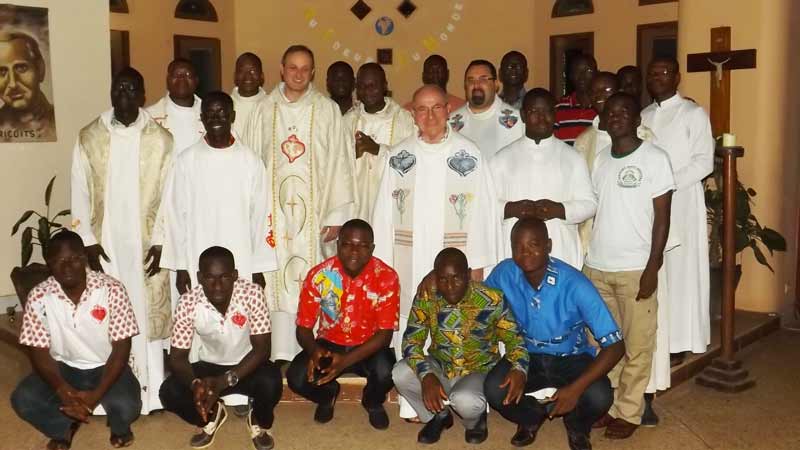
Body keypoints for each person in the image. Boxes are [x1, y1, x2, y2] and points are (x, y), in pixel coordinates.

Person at [373, 84, 501, 419]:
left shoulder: (469, 156)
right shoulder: (399, 157)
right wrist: (384, 269)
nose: (429, 116)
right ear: (412, 113)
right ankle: (414, 402)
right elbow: (383, 215)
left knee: (458, 329)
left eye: (436, 108)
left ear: (448, 110)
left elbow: (484, 214)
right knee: (411, 325)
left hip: (456, 268)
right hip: (409, 260)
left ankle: (464, 393)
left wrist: (477, 266)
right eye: (421, 109)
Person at [243, 45, 356, 362]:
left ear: (313, 72)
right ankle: (279, 352)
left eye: (305, 69)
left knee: (313, 278)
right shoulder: (264, 110)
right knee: (276, 279)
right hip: (273, 216)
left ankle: (316, 351)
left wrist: (337, 215)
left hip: (315, 214)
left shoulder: (326, 110)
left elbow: (341, 162)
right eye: (292, 67)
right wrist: (251, 213)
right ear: (281, 69)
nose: (298, 74)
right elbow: (251, 162)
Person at [71, 67, 172, 413]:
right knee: (108, 313)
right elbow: (80, 188)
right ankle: (108, 395)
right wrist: (86, 239)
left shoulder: (161, 139)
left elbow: (169, 195)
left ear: (144, 95)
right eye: (118, 88)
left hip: (146, 246)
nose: (124, 94)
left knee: (144, 314)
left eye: (132, 89)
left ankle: (153, 392)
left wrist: (161, 241)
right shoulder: (90, 137)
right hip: (107, 243)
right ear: (111, 93)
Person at [484, 219, 624, 449]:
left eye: (534, 244)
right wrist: (434, 279)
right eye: (518, 246)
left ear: (548, 246)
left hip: (571, 357)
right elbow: (476, 300)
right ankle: (531, 417)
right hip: (526, 355)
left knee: (600, 396)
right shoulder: (505, 273)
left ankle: (577, 425)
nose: (525, 252)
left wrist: (574, 390)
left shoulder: (575, 284)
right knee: (494, 389)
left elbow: (616, 346)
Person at [584, 92, 674, 439]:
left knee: (638, 345)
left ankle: (630, 412)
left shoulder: (655, 158)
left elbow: (663, 219)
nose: (617, 116)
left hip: (636, 268)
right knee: (608, 344)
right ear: (605, 120)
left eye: (625, 111)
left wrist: (653, 265)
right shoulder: (602, 159)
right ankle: (609, 406)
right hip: (598, 268)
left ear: (638, 119)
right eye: (612, 112)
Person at [11, 230, 142, 450]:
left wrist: (95, 396)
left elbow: (121, 348)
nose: (67, 266)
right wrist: (62, 390)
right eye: (59, 261)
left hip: (105, 365)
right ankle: (63, 428)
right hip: (64, 367)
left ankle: (119, 426)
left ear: (84, 258)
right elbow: (39, 351)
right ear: (49, 264)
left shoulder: (112, 290)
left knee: (129, 406)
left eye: (74, 259)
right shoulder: (39, 296)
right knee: (23, 399)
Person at [393, 248, 529, 444]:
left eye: (456, 278)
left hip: (478, 370)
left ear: (468, 274)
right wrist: (426, 375)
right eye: (442, 279)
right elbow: (411, 341)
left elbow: (515, 341)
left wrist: (519, 369)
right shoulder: (427, 297)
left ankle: (475, 421)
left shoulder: (492, 299)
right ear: (434, 277)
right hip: (441, 366)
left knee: (466, 400)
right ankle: (438, 416)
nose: (449, 286)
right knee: (401, 372)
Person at [159, 246, 282, 450]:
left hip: (247, 366)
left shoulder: (252, 293)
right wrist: (196, 384)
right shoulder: (188, 302)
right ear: (199, 277)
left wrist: (224, 381)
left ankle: (258, 420)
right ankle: (211, 414)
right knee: (168, 392)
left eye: (224, 277)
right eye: (209, 278)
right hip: (209, 367)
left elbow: (262, 350)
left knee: (271, 380)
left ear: (234, 275)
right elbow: (177, 358)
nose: (217, 286)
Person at [286, 220, 399, 430]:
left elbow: (384, 335)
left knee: (388, 371)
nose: (354, 252)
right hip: (330, 344)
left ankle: (372, 401)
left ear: (372, 248)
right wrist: (314, 351)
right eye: (347, 244)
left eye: (362, 245)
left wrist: (345, 361)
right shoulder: (320, 275)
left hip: (369, 346)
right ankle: (327, 395)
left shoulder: (386, 277)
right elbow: (303, 327)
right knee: (296, 376)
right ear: (338, 245)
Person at [161, 91, 276, 296]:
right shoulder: (186, 161)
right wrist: (180, 266)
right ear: (202, 118)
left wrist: (258, 266)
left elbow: (261, 215)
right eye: (209, 114)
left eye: (221, 113)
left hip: (241, 255)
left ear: (232, 116)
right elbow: (175, 214)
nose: (215, 118)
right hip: (196, 254)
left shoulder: (250, 161)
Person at [642, 56, 713, 365]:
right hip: (649, 204)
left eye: (664, 72)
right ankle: (656, 337)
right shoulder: (643, 115)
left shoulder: (693, 113)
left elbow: (704, 161)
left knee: (681, 271)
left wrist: (667, 183)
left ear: (677, 77)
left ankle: (680, 340)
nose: (658, 77)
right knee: (657, 270)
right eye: (653, 73)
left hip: (682, 201)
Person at [490, 88, 595, 269]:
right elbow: (485, 205)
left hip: (560, 250)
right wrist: (511, 208)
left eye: (547, 111)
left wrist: (559, 209)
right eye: (534, 112)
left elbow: (590, 204)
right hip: (514, 251)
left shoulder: (572, 158)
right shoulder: (501, 158)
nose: (541, 117)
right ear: (523, 115)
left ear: (555, 115)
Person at [344, 63, 414, 220]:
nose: (367, 91)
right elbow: (334, 168)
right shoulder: (347, 122)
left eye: (372, 85)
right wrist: (352, 154)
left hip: (391, 207)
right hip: (355, 209)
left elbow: (413, 162)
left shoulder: (404, 120)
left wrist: (378, 150)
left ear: (384, 86)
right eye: (361, 86)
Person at [449, 60, 524, 159]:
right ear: (465, 85)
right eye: (471, 80)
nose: (476, 85)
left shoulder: (517, 121)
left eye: (483, 79)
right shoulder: (450, 123)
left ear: (496, 84)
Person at [0, 31, 56, 141]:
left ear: (40, 69)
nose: (12, 84)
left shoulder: (60, 121)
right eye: (1, 72)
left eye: (21, 68)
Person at [146, 58, 204, 154]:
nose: (181, 78)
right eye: (176, 74)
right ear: (167, 80)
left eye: (188, 74)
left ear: (196, 80)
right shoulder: (149, 117)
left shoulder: (211, 115)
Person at [554, 54, 597, 145]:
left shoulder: (603, 108)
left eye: (588, 71)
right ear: (570, 75)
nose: (582, 76)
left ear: (597, 73)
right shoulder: (559, 108)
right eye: (577, 71)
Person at [231, 52, 267, 138]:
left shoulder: (271, 105)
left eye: (252, 71)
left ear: (262, 76)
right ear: (235, 76)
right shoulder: (225, 106)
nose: (247, 76)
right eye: (242, 71)